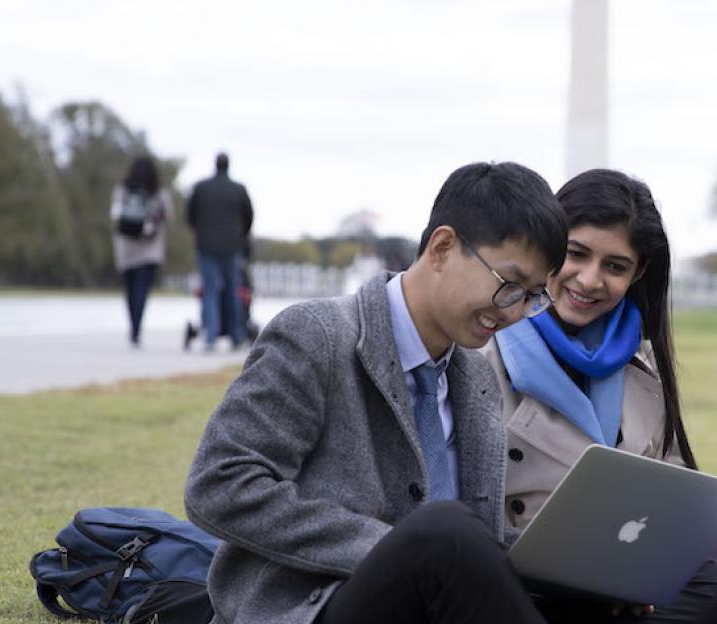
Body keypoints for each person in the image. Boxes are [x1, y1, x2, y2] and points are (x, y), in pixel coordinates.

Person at [185, 162, 568, 624]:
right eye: (509, 286)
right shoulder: (317, 337)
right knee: (441, 529)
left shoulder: (476, 377)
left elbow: (475, 542)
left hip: (429, 605)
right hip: (313, 608)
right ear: (443, 247)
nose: (515, 313)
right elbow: (219, 485)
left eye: (533, 296)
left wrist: (579, 573)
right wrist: (397, 550)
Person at [478, 169, 717, 623]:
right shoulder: (482, 347)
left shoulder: (644, 361)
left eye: (615, 266)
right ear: (548, 244)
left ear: (639, 273)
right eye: (576, 254)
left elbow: (669, 477)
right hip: (519, 575)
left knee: (708, 586)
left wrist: (650, 558)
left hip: (616, 568)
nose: (590, 281)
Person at [186, 152, 254, 350]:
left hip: (206, 245)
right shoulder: (239, 190)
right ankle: (236, 335)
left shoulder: (201, 188)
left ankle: (211, 336)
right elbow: (249, 217)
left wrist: (201, 232)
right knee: (233, 290)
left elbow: (190, 216)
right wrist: (240, 235)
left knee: (210, 290)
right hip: (232, 245)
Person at [110, 155, 171, 348]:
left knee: (130, 292)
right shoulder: (159, 193)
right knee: (141, 292)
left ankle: (133, 329)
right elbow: (168, 216)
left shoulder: (122, 191)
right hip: (149, 250)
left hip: (126, 249)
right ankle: (136, 330)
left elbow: (115, 215)